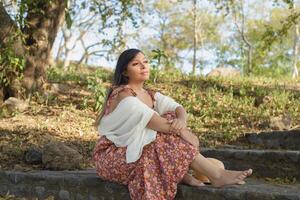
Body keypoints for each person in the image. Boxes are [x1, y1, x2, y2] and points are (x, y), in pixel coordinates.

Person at [92, 48, 252, 200]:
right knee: (157, 136)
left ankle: (191, 175)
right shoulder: (122, 95)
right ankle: (215, 174)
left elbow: (178, 108)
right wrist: (184, 132)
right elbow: (157, 124)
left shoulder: (150, 94)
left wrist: (181, 121)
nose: (143, 66)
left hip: (135, 151)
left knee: (166, 121)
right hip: (114, 157)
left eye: (145, 62)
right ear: (125, 72)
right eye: (135, 64)